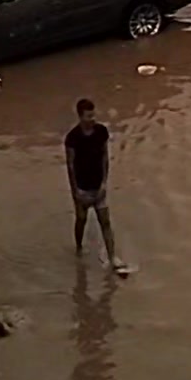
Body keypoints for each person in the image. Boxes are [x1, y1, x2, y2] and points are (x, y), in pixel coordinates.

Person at [65, 98, 124, 270]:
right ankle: (78, 247)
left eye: (93, 115)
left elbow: (105, 157)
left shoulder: (101, 132)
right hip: (82, 188)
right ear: (80, 116)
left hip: (98, 186)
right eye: (88, 116)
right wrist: (75, 191)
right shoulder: (72, 138)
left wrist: (105, 183)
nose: (92, 119)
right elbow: (70, 165)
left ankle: (113, 257)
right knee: (81, 219)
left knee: (105, 221)